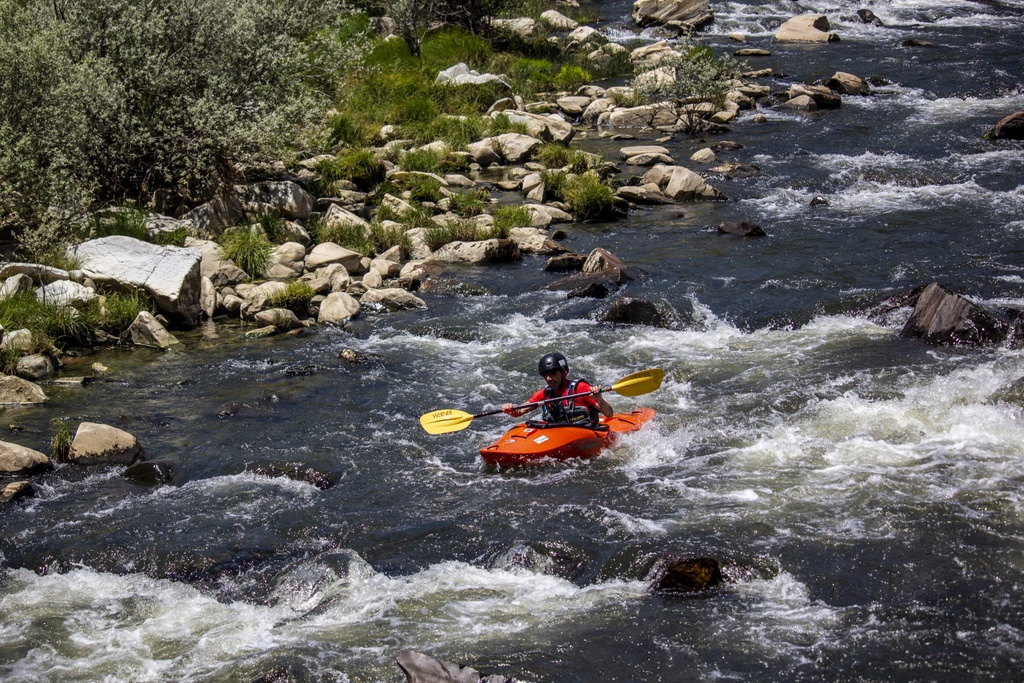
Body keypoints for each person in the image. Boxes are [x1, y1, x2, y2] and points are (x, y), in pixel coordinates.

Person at [501, 352, 614, 426]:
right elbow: (519, 411)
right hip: (558, 434)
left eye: (553, 374)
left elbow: (609, 414)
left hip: (585, 432)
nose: (549, 378)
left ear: (563, 373)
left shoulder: (580, 388)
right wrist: (510, 409)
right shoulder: (544, 393)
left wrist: (599, 399)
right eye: (546, 375)